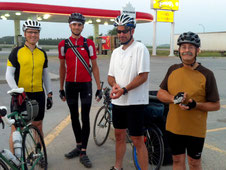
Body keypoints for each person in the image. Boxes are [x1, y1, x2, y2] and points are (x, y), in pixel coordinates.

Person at [157, 32, 220, 170]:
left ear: (197, 50)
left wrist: (195, 105)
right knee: (177, 160)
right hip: (174, 127)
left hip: (195, 129)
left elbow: (216, 105)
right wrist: (173, 98)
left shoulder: (207, 74)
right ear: (179, 50)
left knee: (194, 162)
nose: (186, 50)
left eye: (191, 47)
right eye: (183, 47)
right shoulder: (173, 69)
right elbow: (161, 93)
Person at [58, 13, 101, 168]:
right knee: (74, 117)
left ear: (83, 26)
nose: (77, 27)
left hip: (85, 86)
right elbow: (62, 68)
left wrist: (99, 87)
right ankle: (78, 146)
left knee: (85, 117)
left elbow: (94, 66)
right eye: (74, 24)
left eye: (80, 25)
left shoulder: (88, 43)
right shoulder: (63, 44)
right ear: (70, 25)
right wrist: (61, 88)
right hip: (70, 85)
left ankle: (83, 151)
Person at [108, 14, 150, 170]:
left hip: (135, 102)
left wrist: (124, 89)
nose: (121, 34)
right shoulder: (115, 52)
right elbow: (110, 76)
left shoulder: (140, 49)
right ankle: (118, 167)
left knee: (137, 139)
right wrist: (115, 86)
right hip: (118, 102)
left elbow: (143, 76)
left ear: (132, 31)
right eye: (119, 31)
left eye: (124, 31)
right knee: (119, 136)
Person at [6, 19, 53, 149]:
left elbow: (45, 75)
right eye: (30, 32)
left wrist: (49, 94)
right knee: (16, 128)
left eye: (36, 32)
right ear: (25, 33)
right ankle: (15, 160)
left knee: (38, 125)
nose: (33, 35)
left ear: (39, 34)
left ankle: (39, 154)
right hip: (20, 94)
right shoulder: (16, 52)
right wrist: (16, 90)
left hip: (38, 93)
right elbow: (9, 74)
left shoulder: (42, 53)